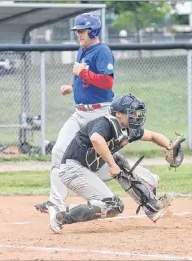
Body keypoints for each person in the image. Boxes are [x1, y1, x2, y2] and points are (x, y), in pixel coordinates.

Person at [49, 94, 184, 234]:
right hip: (72, 169)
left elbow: (152, 136)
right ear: (118, 114)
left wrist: (169, 146)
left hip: (89, 168)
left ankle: (153, 207)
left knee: (119, 161)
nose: (136, 117)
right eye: (131, 113)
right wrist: (112, 165)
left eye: (137, 113)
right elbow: (96, 139)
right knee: (113, 204)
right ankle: (61, 215)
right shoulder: (105, 123)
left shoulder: (127, 129)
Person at [34, 13, 116, 227]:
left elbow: (107, 83)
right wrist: (72, 86)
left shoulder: (102, 52)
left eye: (82, 30)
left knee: (105, 162)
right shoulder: (82, 50)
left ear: (94, 31)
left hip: (99, 113)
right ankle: (56, 202)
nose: (79, 34)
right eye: (77, 31)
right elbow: (83, 78)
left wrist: (84, 75)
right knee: (58, 151)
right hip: (79, 112)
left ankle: (145, 188)